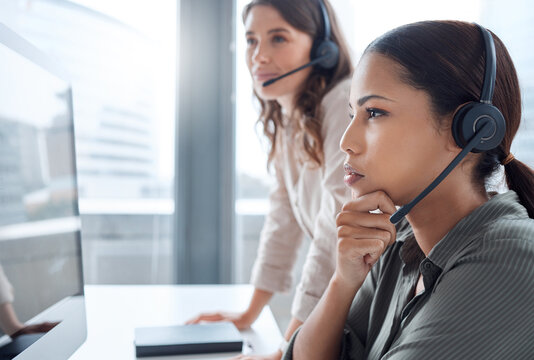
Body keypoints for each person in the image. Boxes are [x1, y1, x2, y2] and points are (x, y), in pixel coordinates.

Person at [283, 20, 534, 359]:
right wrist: (343, 281)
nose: (346, 142)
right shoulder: (396, 240)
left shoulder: (510, 257)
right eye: (352, 114)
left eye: (374, 112)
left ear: (472, 129)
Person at [187, 0, 353, 358]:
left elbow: (335, 231)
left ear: (322, 48)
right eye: (251, 40)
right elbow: (283, 219)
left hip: (376, 297)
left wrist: (287, 347)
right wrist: (249, 313)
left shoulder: (342, 103)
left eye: (278, 38)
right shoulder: (289, 117)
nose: (258, 56)